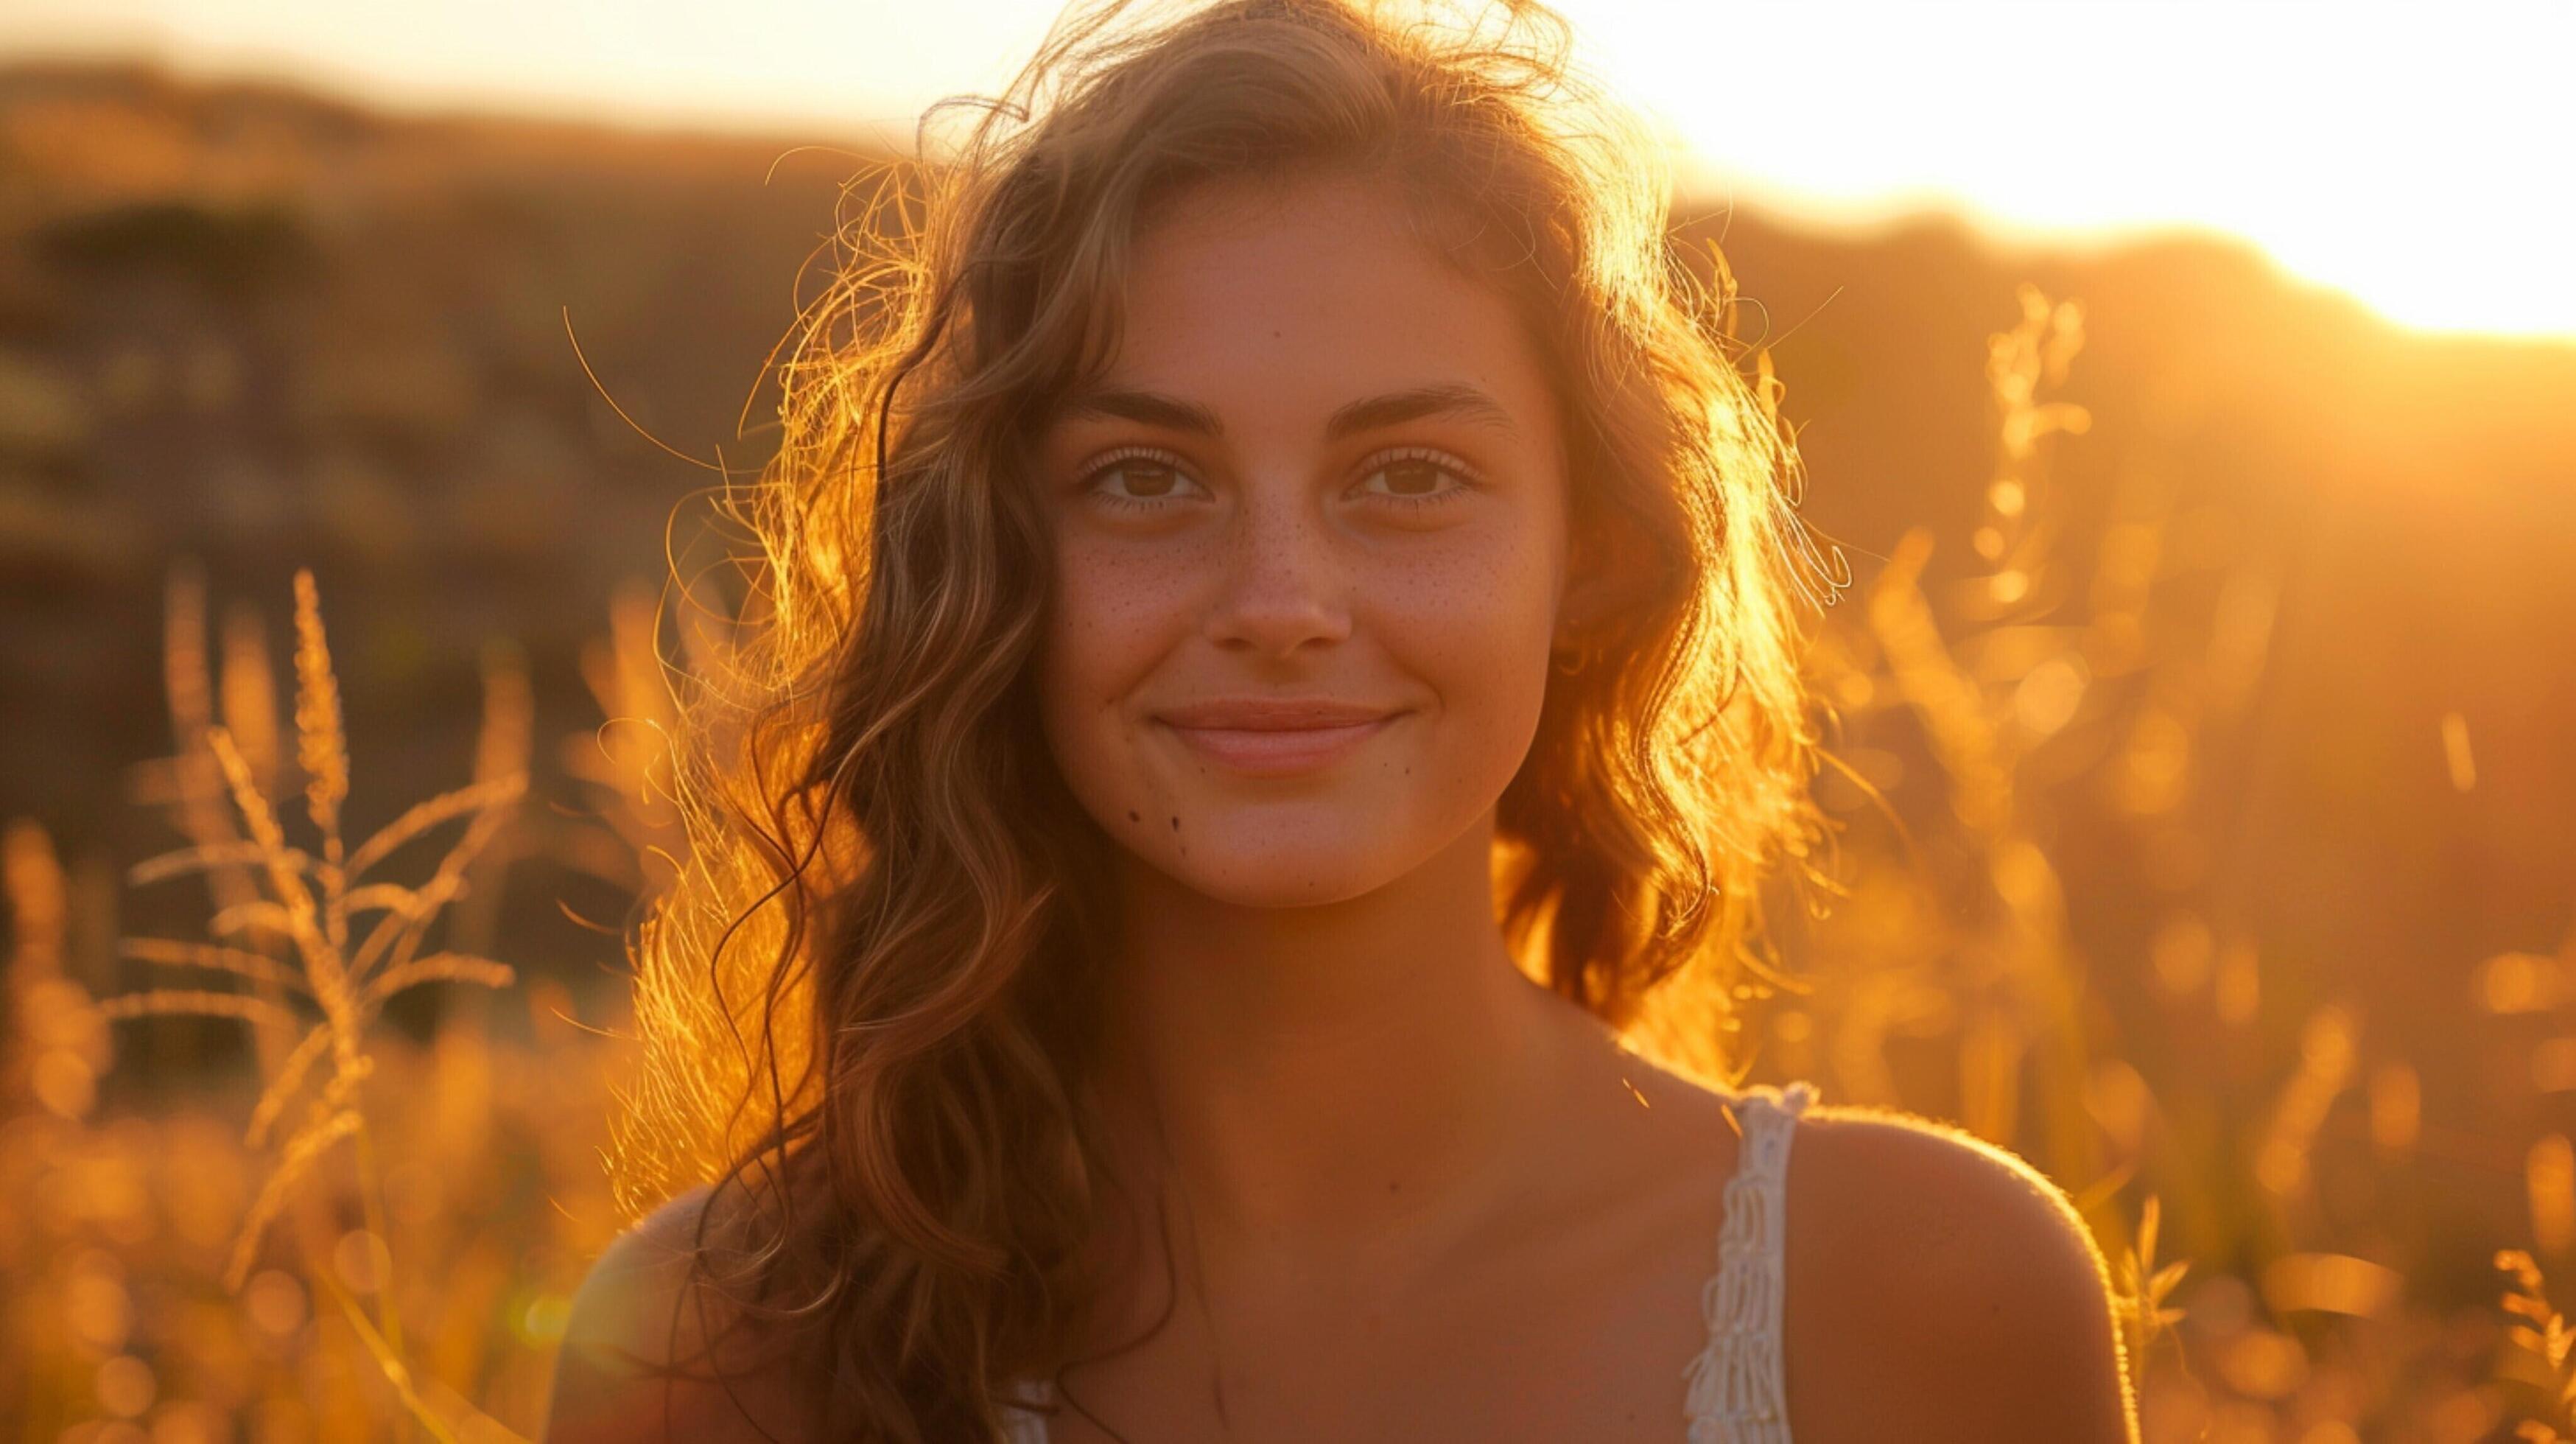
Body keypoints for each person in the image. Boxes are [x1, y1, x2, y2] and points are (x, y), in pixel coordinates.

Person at [544, 0, 2139, 1439]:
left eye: (1410, 477)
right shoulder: (730, 1345)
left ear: (1587, 555)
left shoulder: (1923, 1296)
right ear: (997, 559)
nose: (1283, 598)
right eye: (1146, 479)